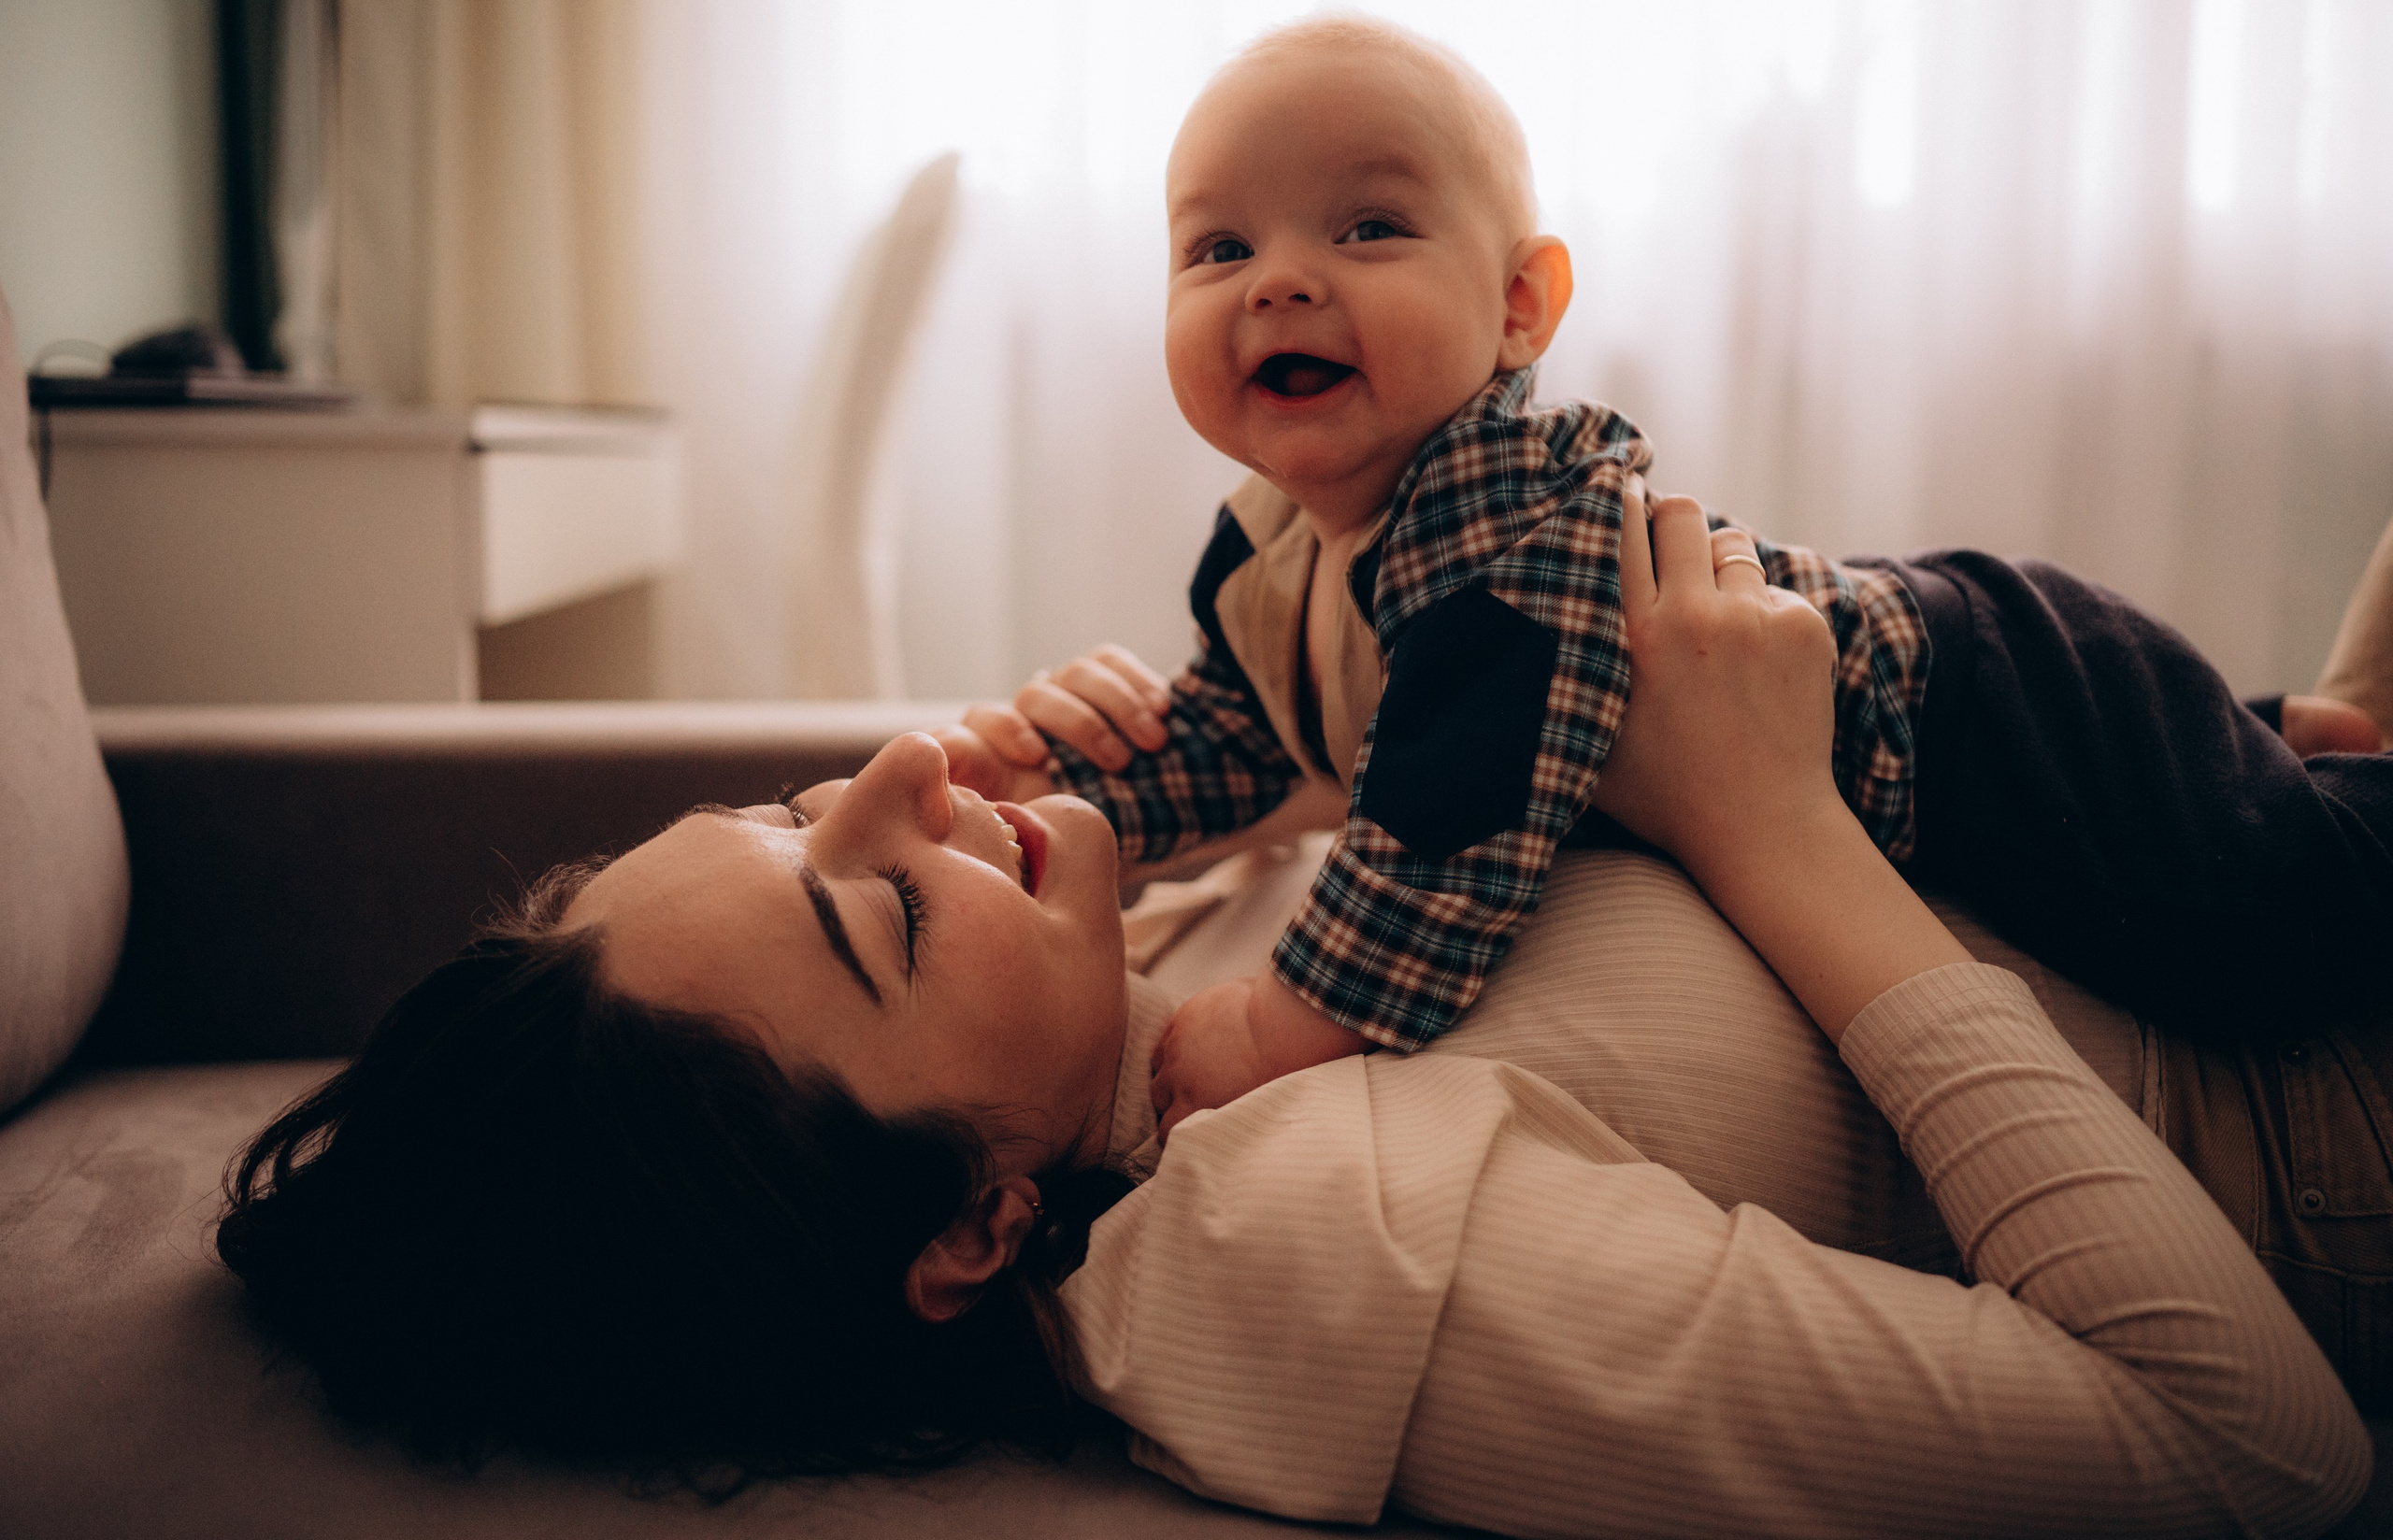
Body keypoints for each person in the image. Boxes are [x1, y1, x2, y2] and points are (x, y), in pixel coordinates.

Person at [216, 487, 2372, 1536]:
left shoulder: (1132, 1030)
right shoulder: (1302, 1249)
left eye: (792, 810)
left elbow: (1495, 923)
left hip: (2231, 837)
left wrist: (1198, 806)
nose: (888, 774)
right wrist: (1768, 824)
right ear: (969, 1227)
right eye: (868, 913)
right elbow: (2244, 1453)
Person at [936, 14, 2393, 1136]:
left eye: (1369, 227)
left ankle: (2314, 779)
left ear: (1520, 308)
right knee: (2241, 788)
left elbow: (1453, 823)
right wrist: (1082, 816)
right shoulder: (1265, 551)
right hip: (2000, 681)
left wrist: (1280, 1023)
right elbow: (1239, 738)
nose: (1280, 279)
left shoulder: (1510, 520)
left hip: (1998, 708)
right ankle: (2287, 730)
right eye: (1219, 246)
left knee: (2276, 938)